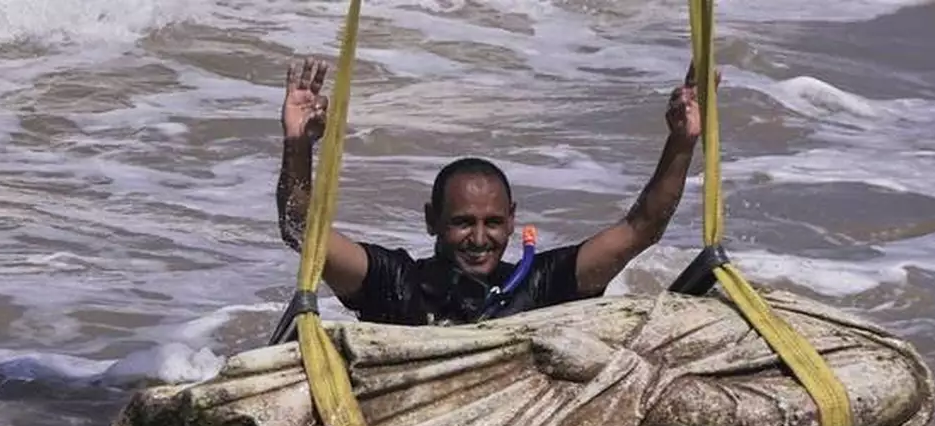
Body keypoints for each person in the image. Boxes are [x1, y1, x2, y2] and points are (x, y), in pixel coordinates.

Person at [275, 56, 719, 326]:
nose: (480, 238)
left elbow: (642, 227)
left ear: (512, 221)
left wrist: (683, 140)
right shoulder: (397, 283)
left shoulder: (539, 285)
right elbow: (304, 233)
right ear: (432, 220)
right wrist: (298, 145)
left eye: (492, 223)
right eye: (462, 222)